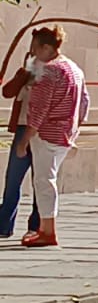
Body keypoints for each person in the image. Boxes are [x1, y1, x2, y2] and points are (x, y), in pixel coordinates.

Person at [18, 25, 88, 247]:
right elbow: (85, 102)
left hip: (48, 134)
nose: (33, 54)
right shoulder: (75, 69)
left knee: (44, 181)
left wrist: (25, 140)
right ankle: (45, 228)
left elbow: (39, 109)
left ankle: (48, 230)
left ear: (47, 47)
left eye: (35, 49)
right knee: (48, 179)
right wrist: (75, 128)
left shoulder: (49, 72)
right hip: (65, 134)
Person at [1, 56, 39, 238]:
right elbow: (7, 92)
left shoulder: (54, 74)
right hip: (22, 128)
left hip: (42, 131)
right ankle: (4, 224)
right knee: (12, 179)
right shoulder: (25, 75)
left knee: (40, 181)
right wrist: (23, 74)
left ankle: (36, 225)